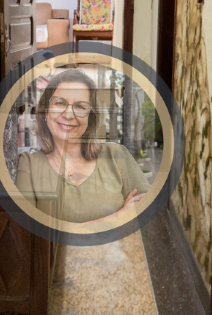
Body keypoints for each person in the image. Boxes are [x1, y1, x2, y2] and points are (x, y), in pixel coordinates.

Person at [14, 68, 149, 226]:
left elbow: (147, 213)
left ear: (90, 118)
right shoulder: (29, 164)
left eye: (80, 106)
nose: (68, 115)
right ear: (45, 110)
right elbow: (28, 233)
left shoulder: (116, 155)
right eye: (59, 103)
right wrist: (118, 217)